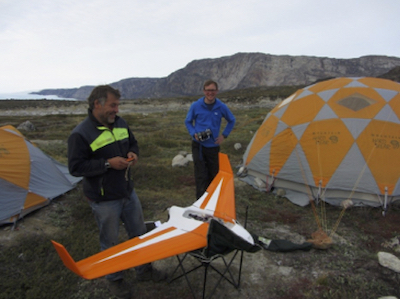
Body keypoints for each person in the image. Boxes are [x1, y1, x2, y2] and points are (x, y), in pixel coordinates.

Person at [68, 85, 165, 299]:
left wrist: (133, 153)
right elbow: (75, 168)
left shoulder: (120, 123)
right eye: (113, 105)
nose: (116, 110)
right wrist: (107, 164)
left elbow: (133, 143)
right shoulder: (81, 134)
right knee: (110, 242)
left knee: (139, 234)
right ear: (97, 104)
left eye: (118, 105)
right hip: (104, 200)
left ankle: (143, 270)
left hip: (127, 192)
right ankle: (115, 280)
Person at [185, 80, 236, 199]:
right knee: (200, 175)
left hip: (213, 146)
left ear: (217, 91)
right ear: (204, 91)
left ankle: (212, 200)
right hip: (199, 146)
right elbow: (188, 121)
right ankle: (200, 203)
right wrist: (194, 134)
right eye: (208, 90)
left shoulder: (221, 107)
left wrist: (224, 135)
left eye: (212, 90)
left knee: (214, 175)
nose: (210, 93)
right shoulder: (196, 106)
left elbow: (231, 120)